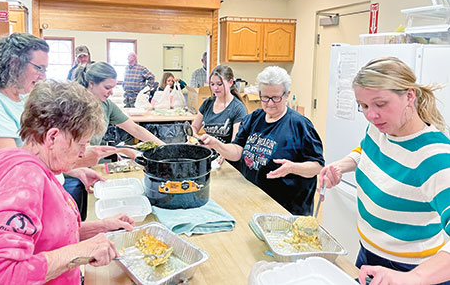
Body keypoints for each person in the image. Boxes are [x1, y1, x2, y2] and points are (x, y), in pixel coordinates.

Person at [0, 33, 116, 267]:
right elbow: (16, 168)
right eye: (38, 67)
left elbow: (38, 152)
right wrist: (77, 160)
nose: (43, 76)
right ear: (12, 63)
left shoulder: (18, 96)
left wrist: (72, 171)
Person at [0, 81, 135, 284]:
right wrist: (79, 251)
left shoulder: (38, 168)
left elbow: (47, 236)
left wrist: (102, 227)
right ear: (53, 137)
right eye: (81, 144)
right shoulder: (23, 182)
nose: (84, 153)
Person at [319, 57, 450, 285]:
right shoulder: (381, 128)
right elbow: (367, 150)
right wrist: (343, 164)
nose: (371, 115)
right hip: (370, 255)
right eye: (364, 106)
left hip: (411, 270)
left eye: (380, 104)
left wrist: (412, 278)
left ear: (409, 96)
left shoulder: (435, 158)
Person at [200, 66, 324, 215]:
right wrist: (217, 144)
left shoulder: (300, 125)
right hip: (254, 201)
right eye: (265, 97)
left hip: (287, 209)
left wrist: (292, 168)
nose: (270, 103)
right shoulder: (254, 118)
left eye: (276, 98)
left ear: (287, 95)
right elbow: (237, 151)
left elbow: (317, 166)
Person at [75, 61, 164, 147]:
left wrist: (164, 146)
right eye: (107, 87)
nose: (111, 93)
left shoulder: (107, 105)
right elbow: (81, 147)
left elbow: (135, 128)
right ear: (91, 84)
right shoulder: (74, 105)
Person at [191, 65, 246, 145]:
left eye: (219, 84)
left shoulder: (238, 108)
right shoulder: (207, 103)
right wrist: (197, 138)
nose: (215, 88)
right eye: (212, 84)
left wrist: (216, 147)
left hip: (226, 156)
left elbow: (235, 145)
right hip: (208, 152)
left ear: (230, 82)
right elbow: (194, 127)